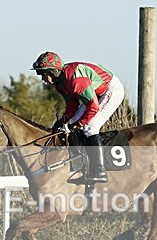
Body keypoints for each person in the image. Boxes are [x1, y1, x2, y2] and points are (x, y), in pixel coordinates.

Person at [32, 51, 125, 183]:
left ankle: (99, 171)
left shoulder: (75, 81)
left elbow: (93, 107)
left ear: (53, 71)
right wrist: (63, 121)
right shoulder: (60, 84)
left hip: (110, 90)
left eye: (43, 74)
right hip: (94, 93)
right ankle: (83, 165)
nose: (42, 78)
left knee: (90, 128)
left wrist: (74, 125)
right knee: (72, 126)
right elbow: (72, 105)